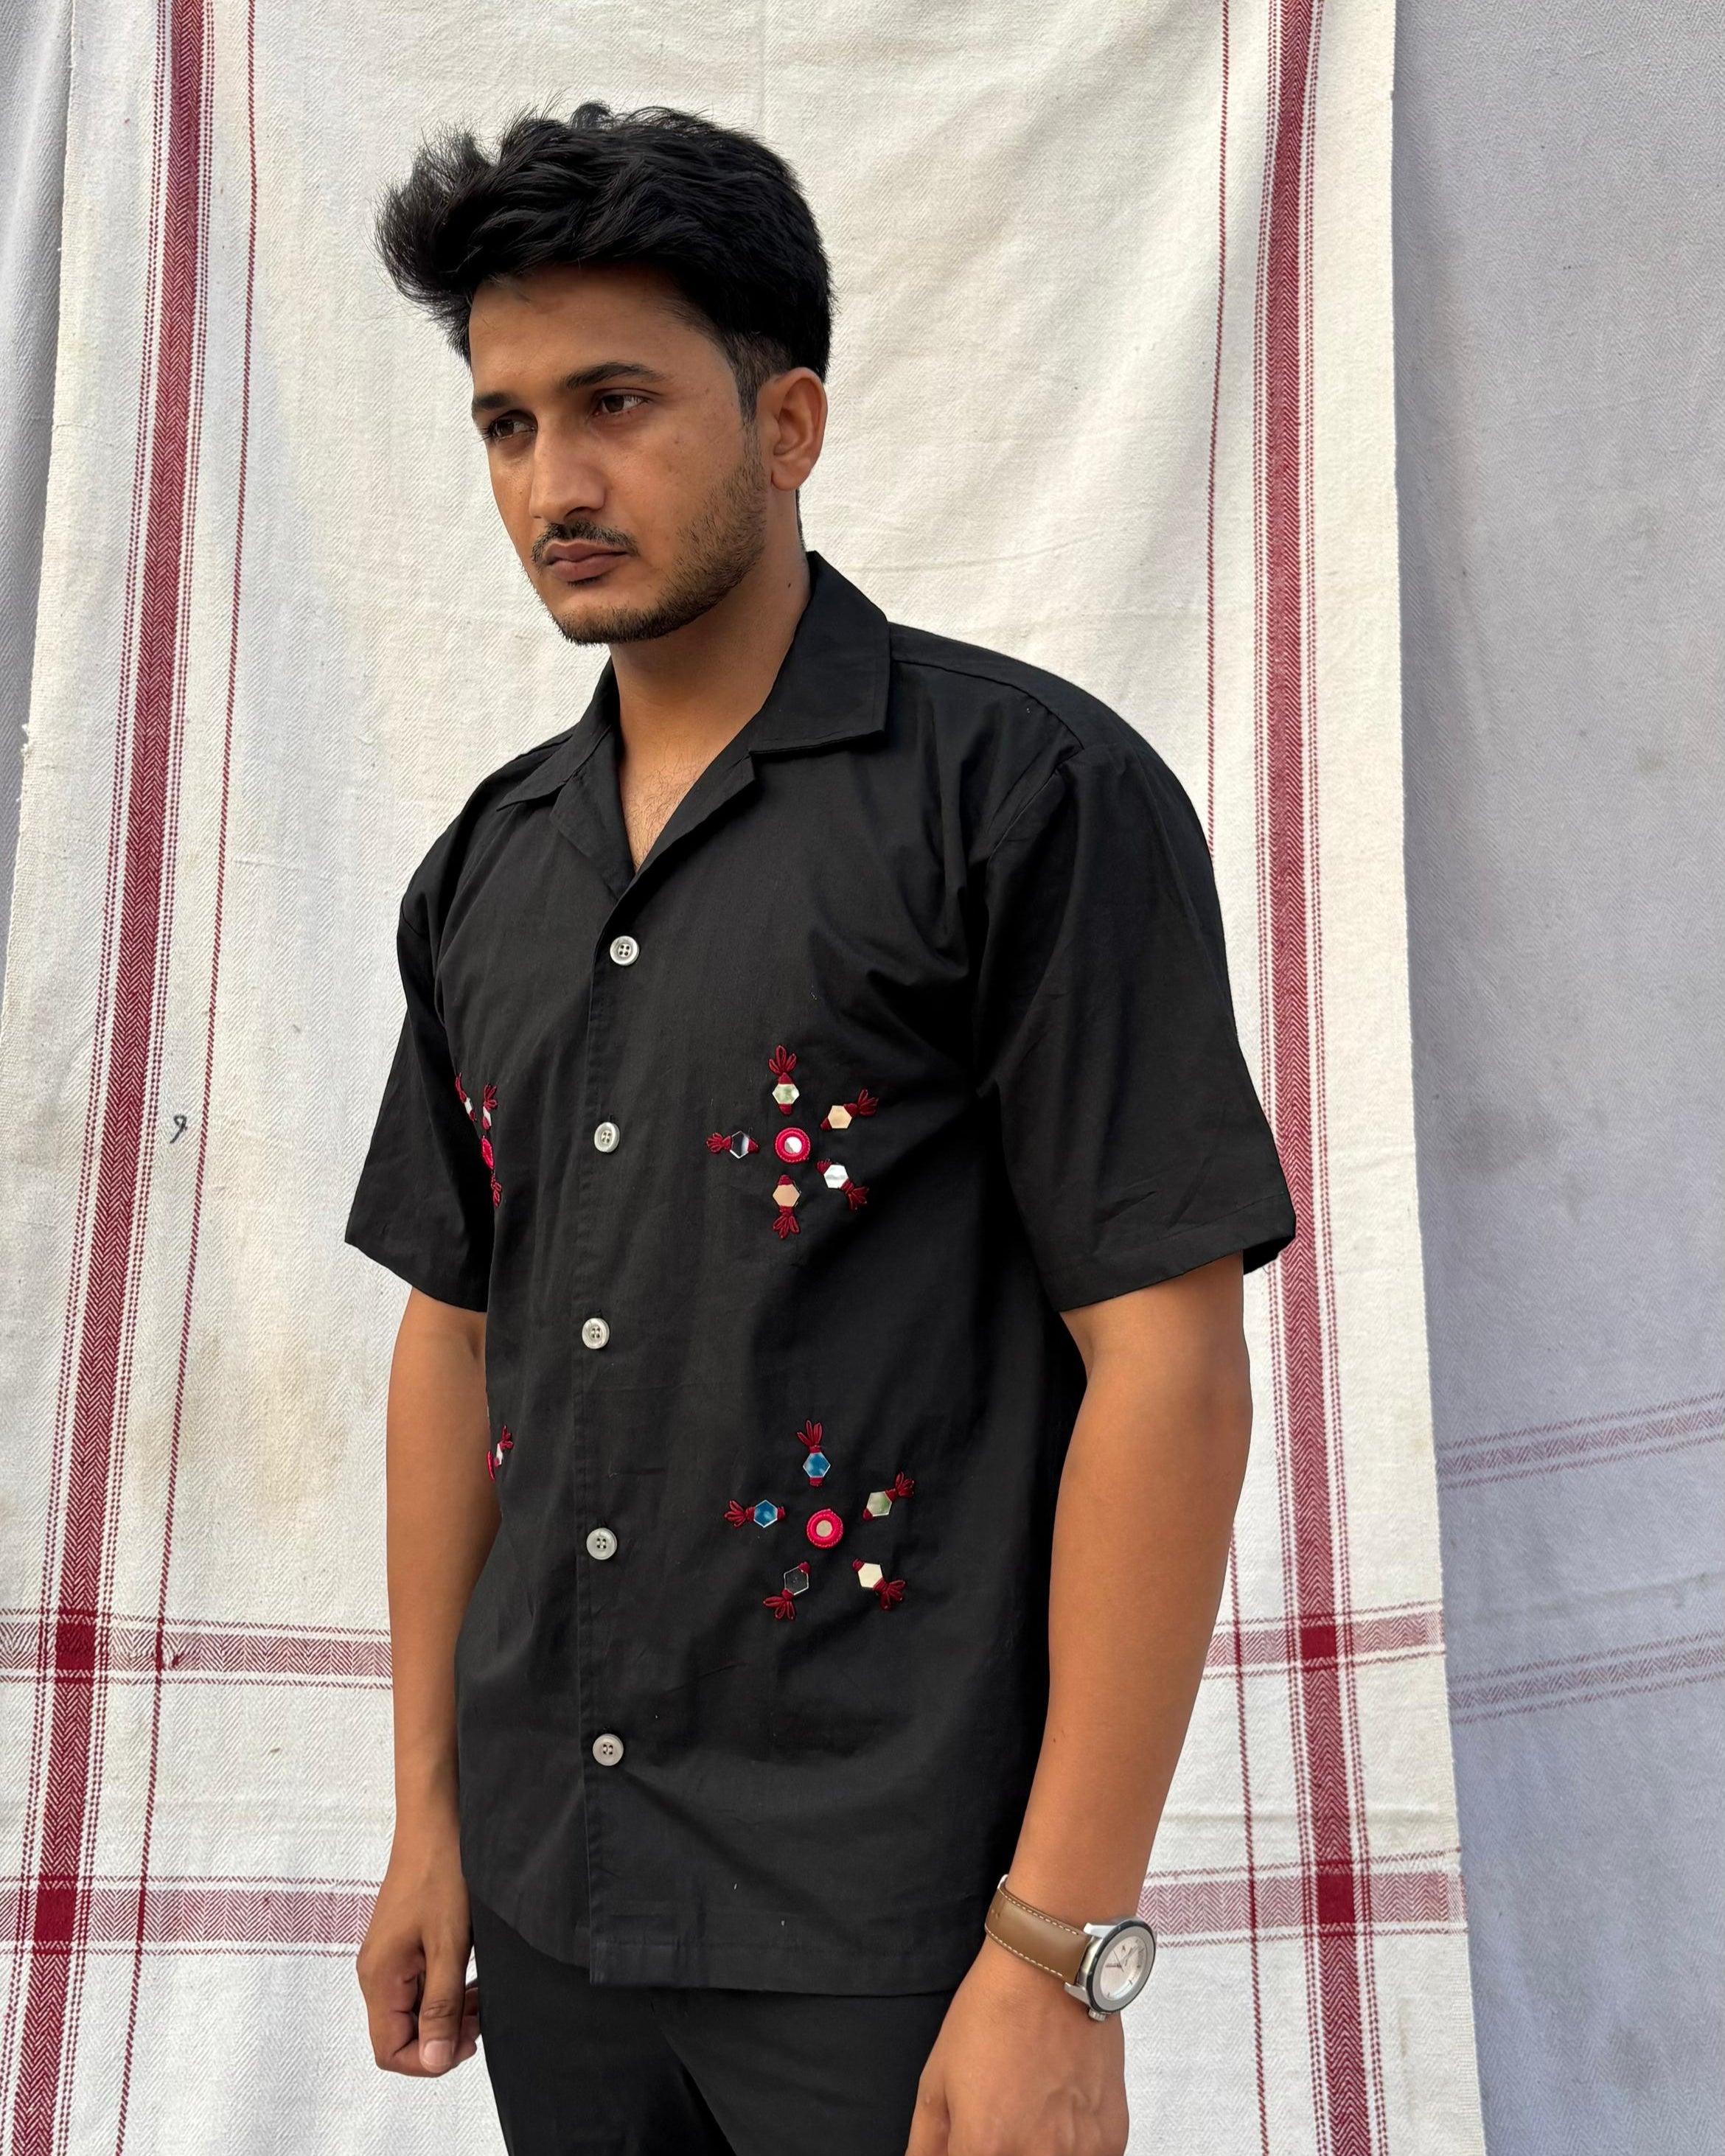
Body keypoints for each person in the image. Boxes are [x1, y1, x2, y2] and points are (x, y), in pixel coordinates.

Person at [343, 98, 1297, 2156]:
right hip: (554, 1896)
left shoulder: (1021, 800)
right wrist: (429, 1811)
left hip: (896, 1923)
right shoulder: (488, 869)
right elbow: (452, 1333)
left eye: (616, 405)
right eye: (507, 424)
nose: (555, 483)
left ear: (788, 424)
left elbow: (1170, 1361)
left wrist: (1060, 1953)